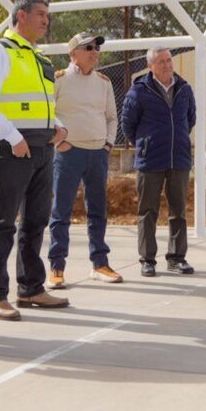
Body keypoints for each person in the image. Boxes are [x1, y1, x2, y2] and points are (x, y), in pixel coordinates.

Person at [0, 0, 70, 321]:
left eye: (48, 15)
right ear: (22, 16)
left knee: (36, 221)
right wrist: (14, 139)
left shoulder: (40, 59)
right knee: (3, 224)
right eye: (41, 14)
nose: (46, 20)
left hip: (42, 149)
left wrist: (57, 126)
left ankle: (30, 288)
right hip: (12, 149)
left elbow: (39, 102)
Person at [47, 31, 122, 285]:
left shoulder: (104, 82)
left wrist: (108, 143)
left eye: (96, 48)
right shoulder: (59, 80)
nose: (94, 53)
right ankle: (56, 267)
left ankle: (100, 264)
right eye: (88, 48)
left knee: (98, 210)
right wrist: (60, 142)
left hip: (97, 154)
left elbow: (112, 117)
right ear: (73, 53)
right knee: (61, 212)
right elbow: (48, 113)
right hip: (69, 154)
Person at [121, 47, 196, 277]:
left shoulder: (184, 89)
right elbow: (127, 125)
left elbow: (190, 119)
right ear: (151, 66)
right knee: (147, 211)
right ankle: (148, 260)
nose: (167, 65)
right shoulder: (138, 91)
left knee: (178, 211)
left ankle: (177, 258)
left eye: (169, 60)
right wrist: (145, 144)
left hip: (179, 158)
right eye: (161, 61)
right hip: (150, 160)